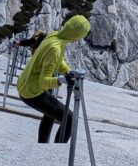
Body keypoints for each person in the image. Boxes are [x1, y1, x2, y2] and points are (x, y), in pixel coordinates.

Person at [16, 15, 91, 143]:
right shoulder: (55, 49)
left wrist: (68, 71)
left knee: (51, 113)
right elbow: (43, 81)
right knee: (70, 119)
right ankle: (55, 153)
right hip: (32, 92)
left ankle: (43, 147)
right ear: (75, 37)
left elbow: (58, 61)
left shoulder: (55, 35)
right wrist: (62, 80)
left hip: (25, 82)